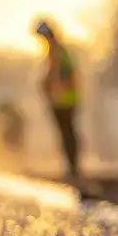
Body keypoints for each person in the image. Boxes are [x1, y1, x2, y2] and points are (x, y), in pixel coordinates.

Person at [33, 19, 80, 181]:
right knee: (68, 132)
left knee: (66, 133)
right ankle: (72, 167)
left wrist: (47, 87)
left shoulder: (55, 51)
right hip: (67, 97)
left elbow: (55, 73)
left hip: (63, 98)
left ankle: (72, 169)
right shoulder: (61, 50)